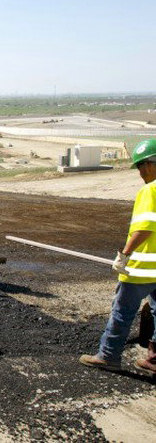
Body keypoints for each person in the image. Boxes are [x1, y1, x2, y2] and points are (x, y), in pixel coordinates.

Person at [80, 139, 156, 375]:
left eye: (142, 166)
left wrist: (124, 255)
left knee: (122, 310)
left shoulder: (150, 190)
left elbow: (144, 228)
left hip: (142, 269)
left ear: (152, 164)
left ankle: (108, 356)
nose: (141, 173)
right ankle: (153, 360)